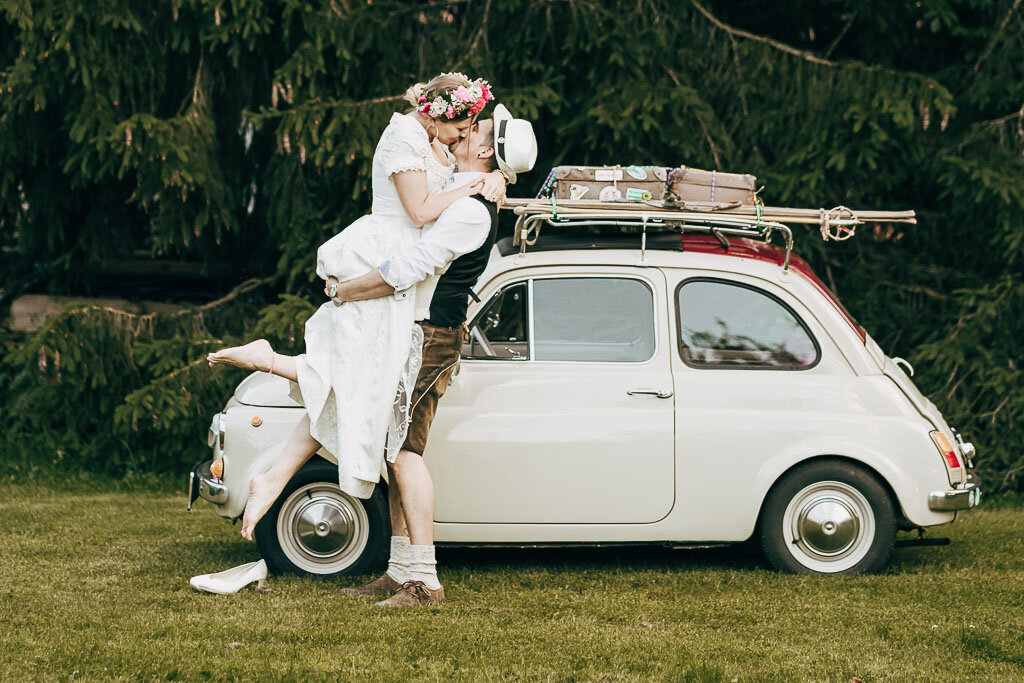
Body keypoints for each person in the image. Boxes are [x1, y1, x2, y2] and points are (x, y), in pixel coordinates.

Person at [206, 72, 506, 540]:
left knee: (353, 379)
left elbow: (448, 189)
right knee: (353, 374)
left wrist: (490, 182)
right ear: (438, 113)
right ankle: (271, 379)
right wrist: (476, 185)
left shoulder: (434, 142)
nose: (460, 139)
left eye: (469, 134)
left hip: (404, 271)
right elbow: (422, 211)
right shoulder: (405, 136)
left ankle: (274, 455)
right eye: (460, 128)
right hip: (385, 256)